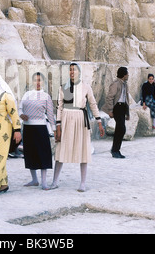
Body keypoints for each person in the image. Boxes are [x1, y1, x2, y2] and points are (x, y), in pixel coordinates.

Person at [52, 63, 105, 192]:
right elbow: (59, 107)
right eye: (70, 70)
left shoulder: (86, 87)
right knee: (61, 149)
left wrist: (99, 121)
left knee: (83, 149)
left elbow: (92, 104)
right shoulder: (63, 87)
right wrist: (58, 125)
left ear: (79, 72)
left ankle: (82, 183)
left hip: (81, 120)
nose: (72, 72)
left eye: (74, 70)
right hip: (66, 118)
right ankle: (54, 181)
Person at [19, 72, 56, 190]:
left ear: (43, 82)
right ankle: (34, 179)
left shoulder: (46, 96)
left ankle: (44, 182)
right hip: (28, 128)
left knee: (43, 154)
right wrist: (21, 115)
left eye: (40, 80)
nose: (37, 83)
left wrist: (54, 129)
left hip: (40, 128)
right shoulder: (27, 94)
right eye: (35, 80)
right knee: (30, 154)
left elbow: (50, 114)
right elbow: (19, 109)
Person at [102, 66, 130, 159]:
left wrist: (127, 113)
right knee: (121, 128)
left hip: (122, 108)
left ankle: (116, 150)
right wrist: (110, 110)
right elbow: (110, 97)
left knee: (121, 129)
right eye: (127, 73)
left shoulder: (125, 84)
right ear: (123, 74)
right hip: (117, 107)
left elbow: (126, 99)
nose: (128, 75)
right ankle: (115, 150)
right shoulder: (115, 84)